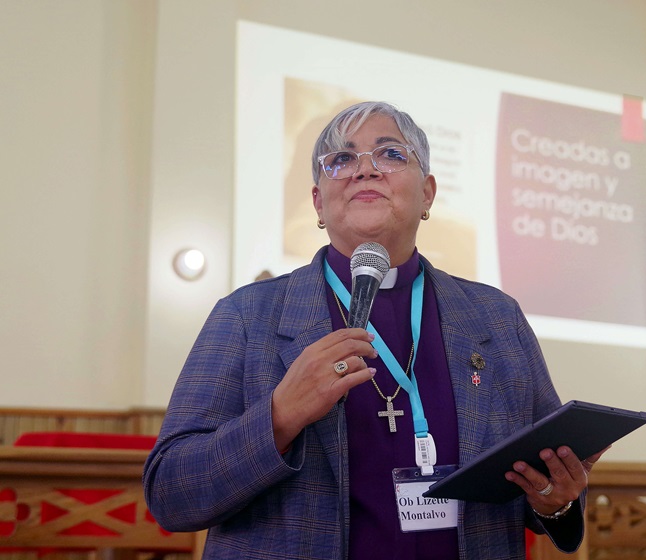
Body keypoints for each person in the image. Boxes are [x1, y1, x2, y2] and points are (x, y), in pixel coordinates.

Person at [143, 101, 606, 559]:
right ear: (318, 202)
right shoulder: (248, 316)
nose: (364, 170)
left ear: (427, 193)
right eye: (341, 159)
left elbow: (546, 486)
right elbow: (170, 494)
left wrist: (556, 499)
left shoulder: (496, 318)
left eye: (390, 154)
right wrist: (280, 417)